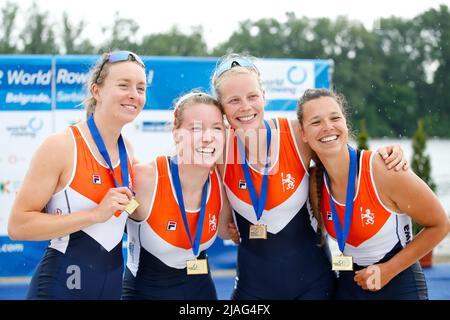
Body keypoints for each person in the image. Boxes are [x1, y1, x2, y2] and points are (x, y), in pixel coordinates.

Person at [212, 53, 409, 300]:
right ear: (221, 108)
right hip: (253, 289)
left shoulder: (296, 134)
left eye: (252, 96)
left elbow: (348, 164)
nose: (246, 107)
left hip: (313, 285)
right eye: (233, 100)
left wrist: (385, 155)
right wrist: (230, 227)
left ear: (264, 95)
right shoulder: (219, 151)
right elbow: (222, 229)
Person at [7, 50, 147, 299]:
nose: (133, 95)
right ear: (97, 91)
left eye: (140, 88)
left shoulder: (128, 151)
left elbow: (127, 216)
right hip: (60, 287)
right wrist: (95, 214)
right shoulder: (62, 146)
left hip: (111, 286)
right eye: (123, 85)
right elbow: (19, 225)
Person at [298, 88, 450, 299]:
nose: (327, 127)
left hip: (398, 283)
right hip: (349, 285)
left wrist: (388, 270)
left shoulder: (383, 169)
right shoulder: (315, 182)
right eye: (316, 122)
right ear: (303, 133)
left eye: (335, 117)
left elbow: (440, 224)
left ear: (345, 122)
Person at [122, 91, 232, 300]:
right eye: (195, 128)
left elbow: (225, 232)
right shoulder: (145, 180)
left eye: (217, 128)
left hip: (200, 289)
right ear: (176, 133)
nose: (208, 137)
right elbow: (117, 217)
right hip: (146, 292)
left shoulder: (220, 180)